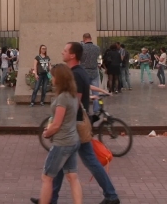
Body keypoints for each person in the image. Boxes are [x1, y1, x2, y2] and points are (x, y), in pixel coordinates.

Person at [38, 42, 119, 204]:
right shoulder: (79, 71)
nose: (62, 52)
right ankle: (49, 197)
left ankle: (111, 195)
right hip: (75, 126)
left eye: (65, 50)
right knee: (65, 167)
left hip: (74, 126)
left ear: (72, 55)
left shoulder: (75, 74)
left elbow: (75, 101)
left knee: (88, 162)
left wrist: (60, 125)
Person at [37, 63, 83, 204]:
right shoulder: (72, 95)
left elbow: (57, 124)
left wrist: (47, 133)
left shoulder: (63, 97)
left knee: (47, 178)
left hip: (62, 143)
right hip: (73, 140)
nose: (51, 78)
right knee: (72, 176)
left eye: (53, 75)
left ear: (59, 78)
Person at [79, 33, 101, 113]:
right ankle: (96, 109)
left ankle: (85, 109)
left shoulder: (81, 48)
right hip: (94, 71)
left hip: (84, 72)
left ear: (84, 38)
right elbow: (97, 57)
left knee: (84, 93)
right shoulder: (97, 48)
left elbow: (79, 58)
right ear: (90, 38)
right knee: (96, 92)